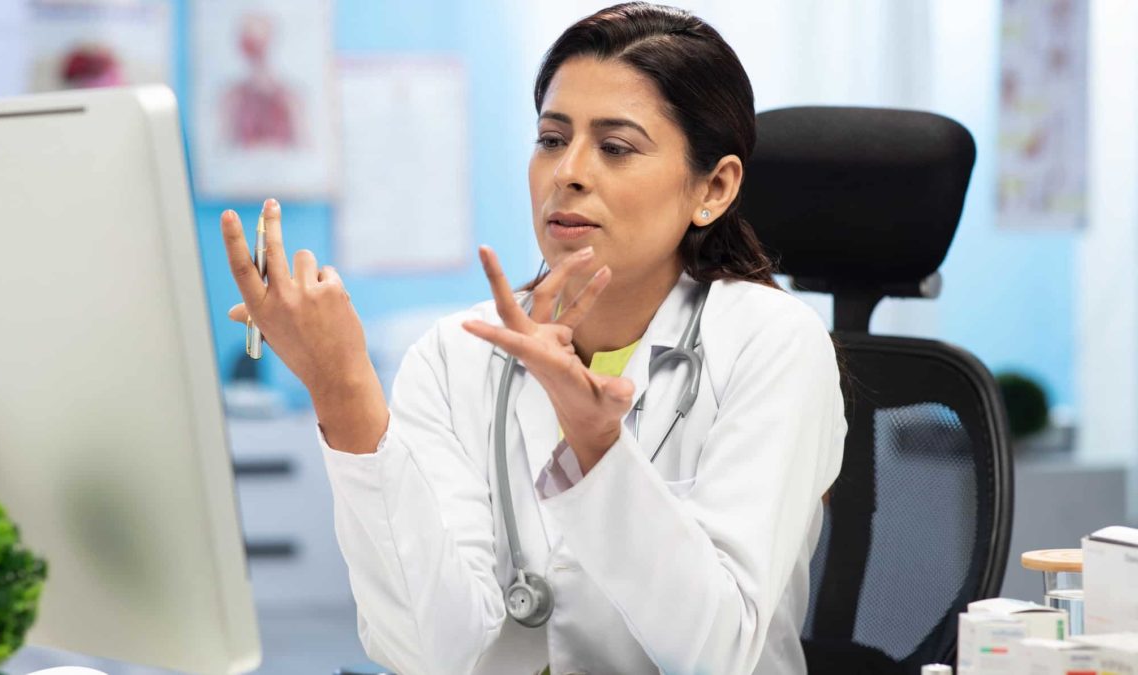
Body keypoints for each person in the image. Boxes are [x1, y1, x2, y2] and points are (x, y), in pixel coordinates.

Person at [221, 3, 845, 673]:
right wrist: (343, 394)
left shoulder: (773, 344)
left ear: (713, 188)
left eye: (615, 147)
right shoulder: (456, 354)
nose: (567, 171)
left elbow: (718, 651)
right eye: (551, 138)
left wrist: (597, 448)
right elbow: (431, 651)